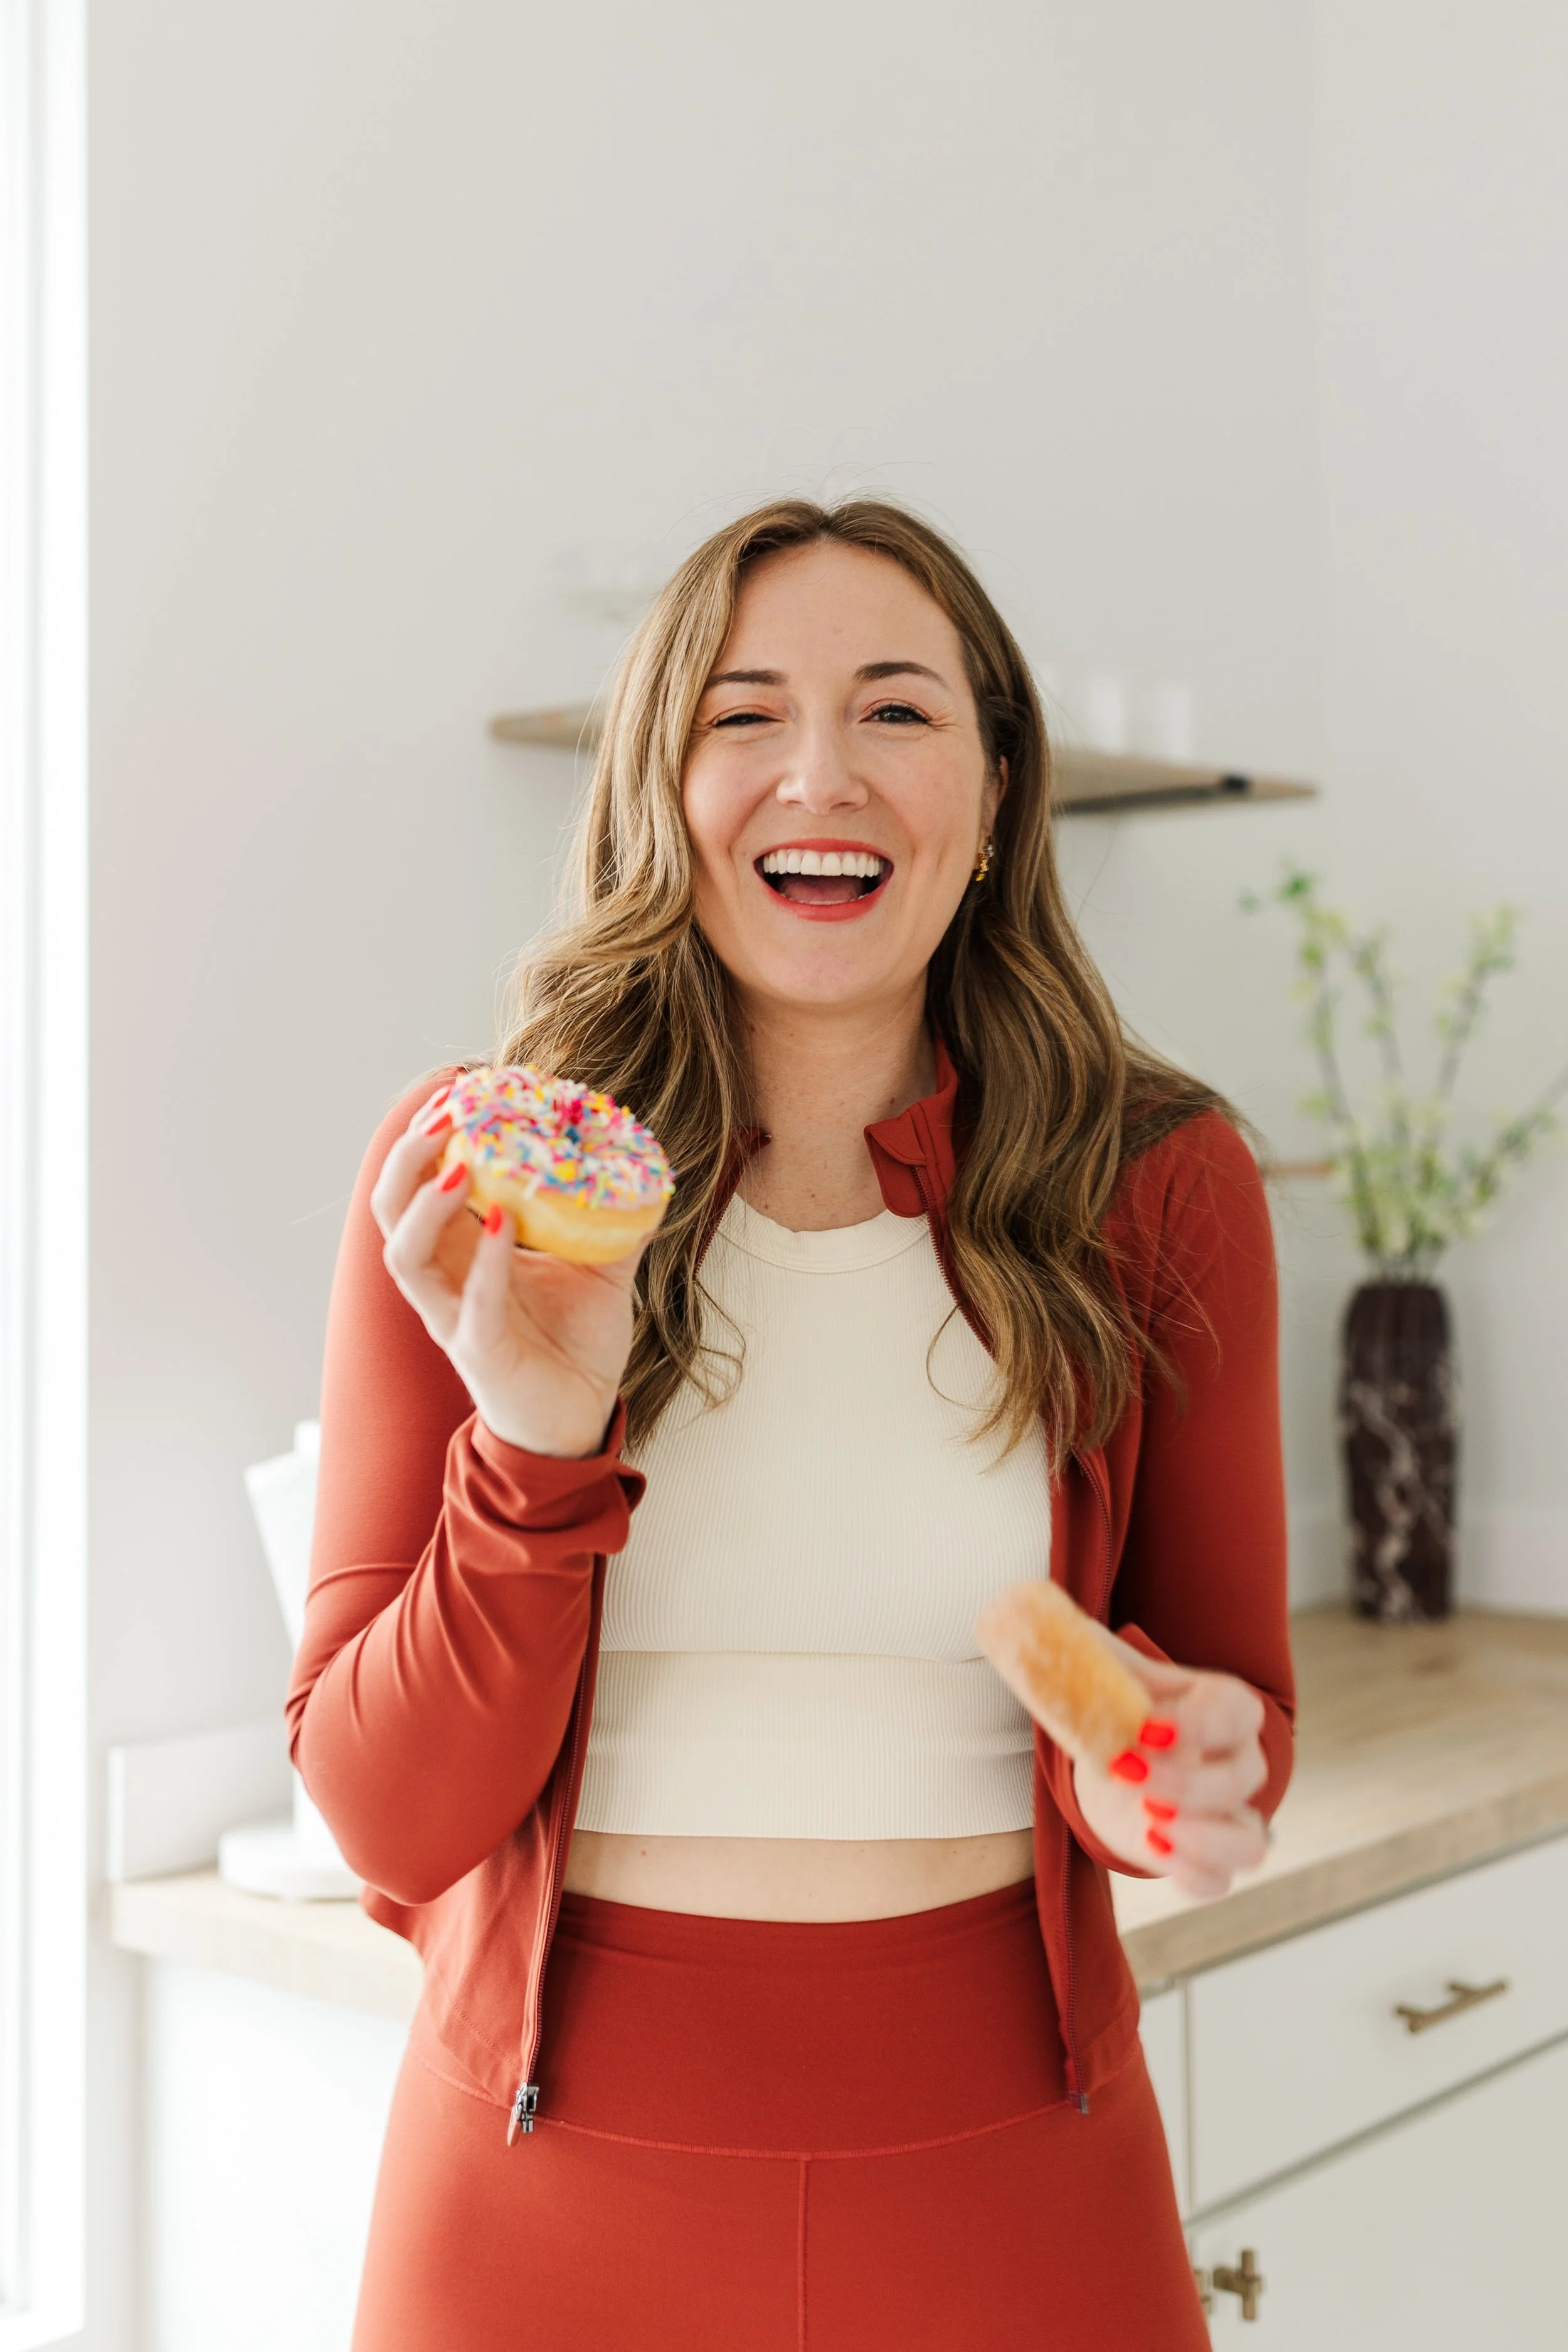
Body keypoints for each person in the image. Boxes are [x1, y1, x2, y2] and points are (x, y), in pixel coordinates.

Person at [289, 497, 1293, 2349]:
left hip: (1017, 2182)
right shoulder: (470, 1179)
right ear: (655, 784)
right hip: (541, 2197)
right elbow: (384, 1809)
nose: (816, 769)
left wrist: (1163, 1762)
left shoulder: (1156, 1183)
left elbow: (1223, 1726)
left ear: (993, 798)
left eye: (897, 711)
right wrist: (532, 1439)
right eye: (741, 713)